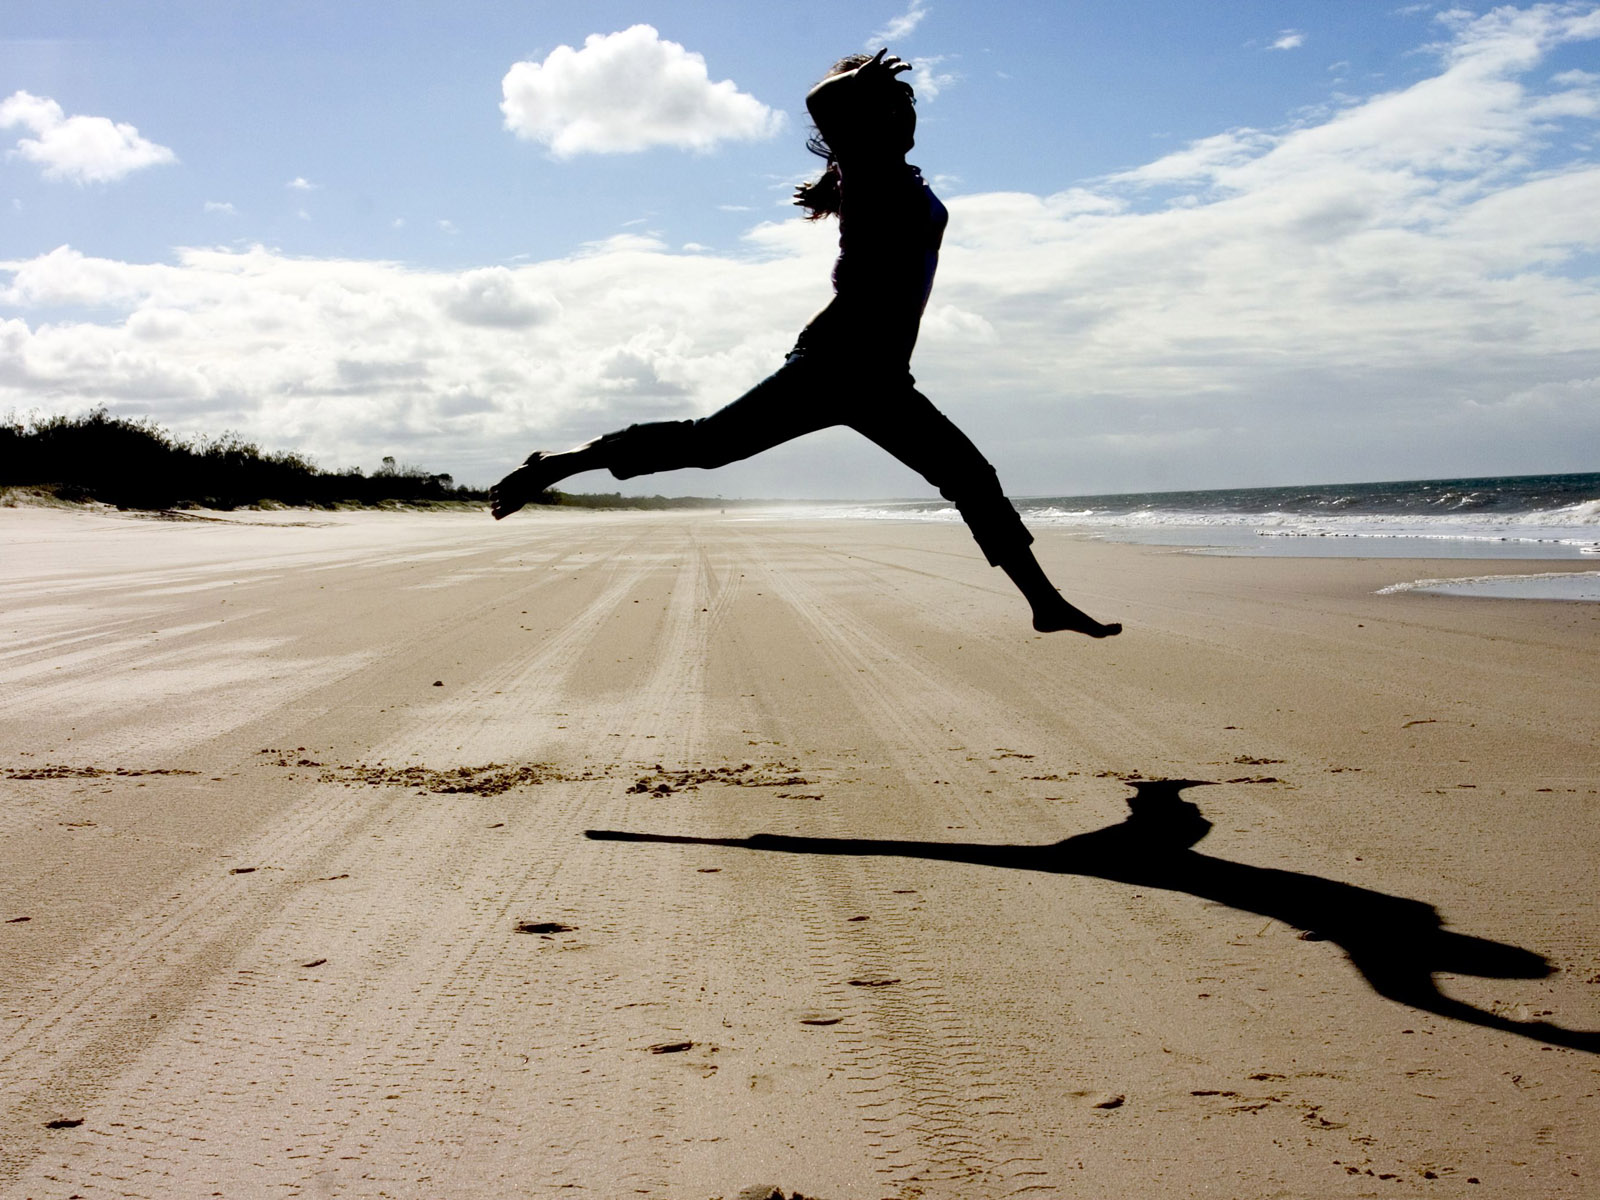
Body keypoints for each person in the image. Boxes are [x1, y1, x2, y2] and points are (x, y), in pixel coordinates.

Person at [490, 49, 1120, 637]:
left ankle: (1045, 604)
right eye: (893, 106)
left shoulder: (888, 175)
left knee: (969, 477)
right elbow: (822, 101)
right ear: (867, 120)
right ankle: (557, 465)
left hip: (882, 377)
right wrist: (856, 85)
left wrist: (853, 137)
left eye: (910, 106)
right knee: (709, 445)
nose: (907, 115)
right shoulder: (869, 171)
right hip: (835, 361)